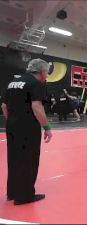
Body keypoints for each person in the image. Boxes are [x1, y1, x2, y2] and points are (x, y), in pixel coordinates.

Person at [1, 59, 53, 205]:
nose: (47, 75)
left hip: (11, 126)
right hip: (28, 128)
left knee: (14, 159)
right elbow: (37, 107)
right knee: (29, 160)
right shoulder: (36, 84)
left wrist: (13, 121)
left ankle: (12, 192)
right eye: (47, 72)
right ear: (42, 72)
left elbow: (4, 106)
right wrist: (47, 127)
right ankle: (24, 196)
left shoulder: (12, 83)